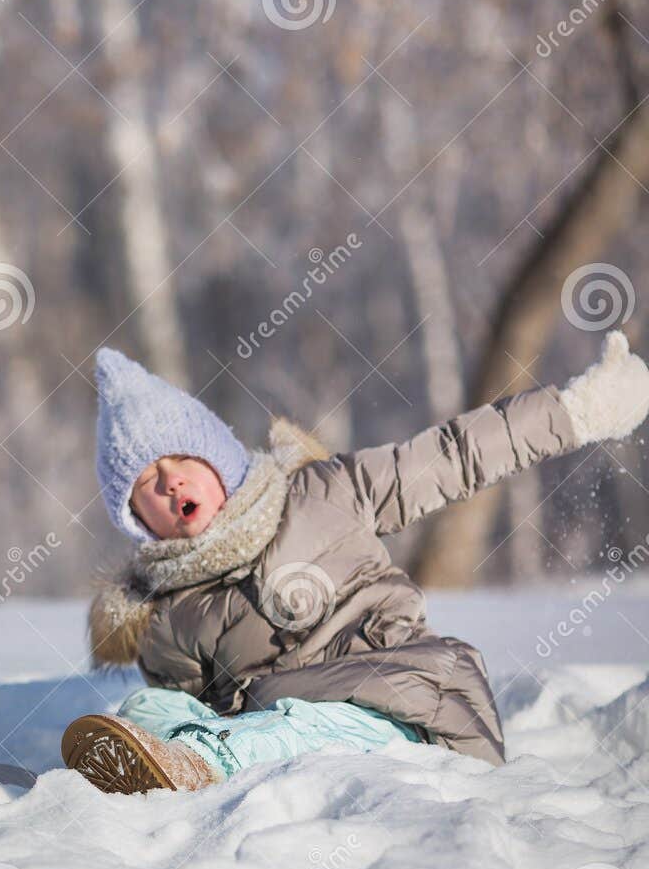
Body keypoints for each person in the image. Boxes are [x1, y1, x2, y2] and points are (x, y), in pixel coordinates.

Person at [63, 331, 649, 794]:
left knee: (299, 724)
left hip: (401, 706)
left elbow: (454, 455)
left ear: (217, 457)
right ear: (135, 516)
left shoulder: (326, 492)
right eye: (145, 482)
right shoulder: (166, 616)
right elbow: (204, 704)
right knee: (148, 707)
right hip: (274, 733)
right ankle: (164, 765)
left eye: (179, 460)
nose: (169, 484)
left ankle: (204, 763)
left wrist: (579, 410)